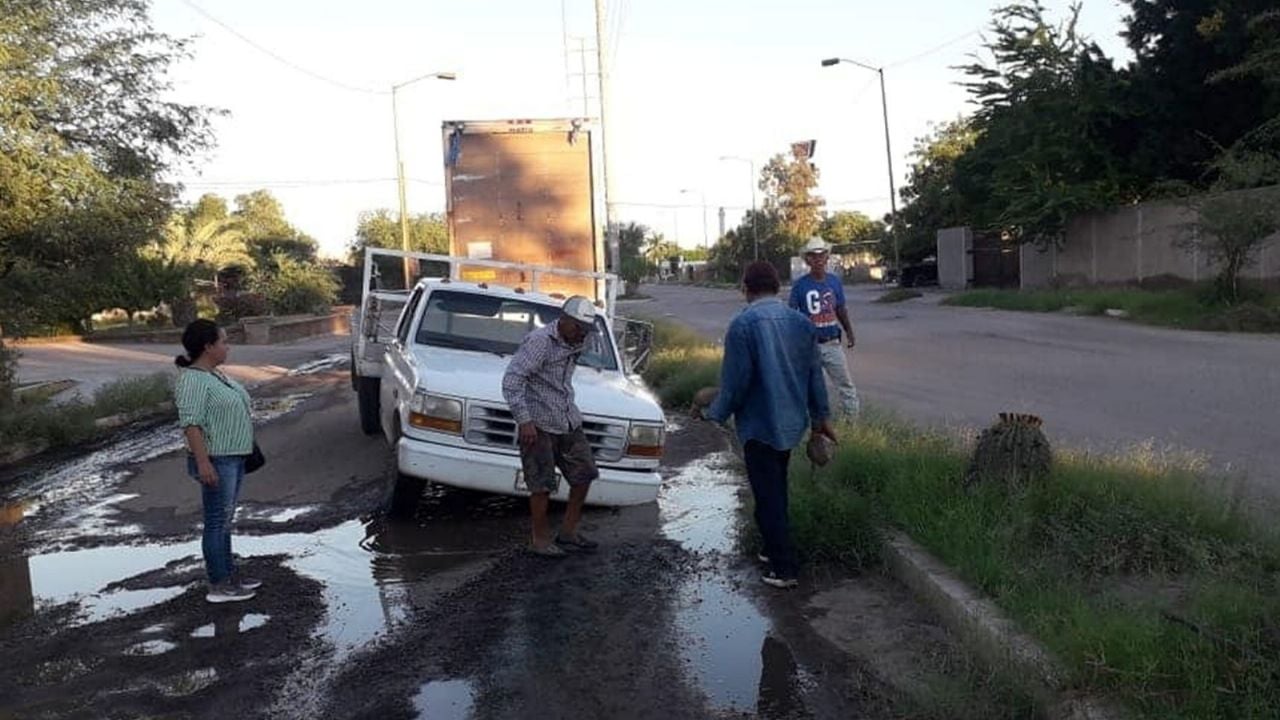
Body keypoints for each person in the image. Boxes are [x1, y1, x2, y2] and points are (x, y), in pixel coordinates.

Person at [696, 261, 837, 588]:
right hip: (791, 423)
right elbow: (815, 376)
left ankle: (783, 568)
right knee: (775, 489)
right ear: (777, 286)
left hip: (759, 424)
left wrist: (712, 414)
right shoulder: (801, 323)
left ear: (746, 287)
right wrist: (820, 419)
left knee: (768, 494)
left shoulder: (742, 325)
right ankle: (771, 549)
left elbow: (736, 385)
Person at [502, 296, 602, 558]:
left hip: (567, 419)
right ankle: (539, 539)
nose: (581, 333)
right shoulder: (539, 342)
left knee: (585, 474)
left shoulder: (579, 340)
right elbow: (513, 381)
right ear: (564, 319)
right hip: (538, 424)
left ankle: (568, 532)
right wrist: (524, 420)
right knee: (541, 484)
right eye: (577, 326)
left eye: (585, 329)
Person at [174, 319, 260, 603]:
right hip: (216, 460)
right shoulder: (193, 380)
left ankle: (229, 575)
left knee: (225, 521)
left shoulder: (215, 375)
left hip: (232, 457)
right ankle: (219, 584)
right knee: (216, 522)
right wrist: (203, 463)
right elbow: (191, 424)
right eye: (223, 341)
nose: (227, 346)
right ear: (208, 346)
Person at [788, 236, 860, 419]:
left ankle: (852, 423)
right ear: (807, 260)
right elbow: (792, 316)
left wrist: (849, 331)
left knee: (846, 385)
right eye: (813, 256)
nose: (818, 259)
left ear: (827, 257)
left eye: (822, 255)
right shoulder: (800, 286)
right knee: (809, 387)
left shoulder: (834, 282)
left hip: (831, 342)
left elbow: (840, 309)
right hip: (810, 345)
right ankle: (813, 423)